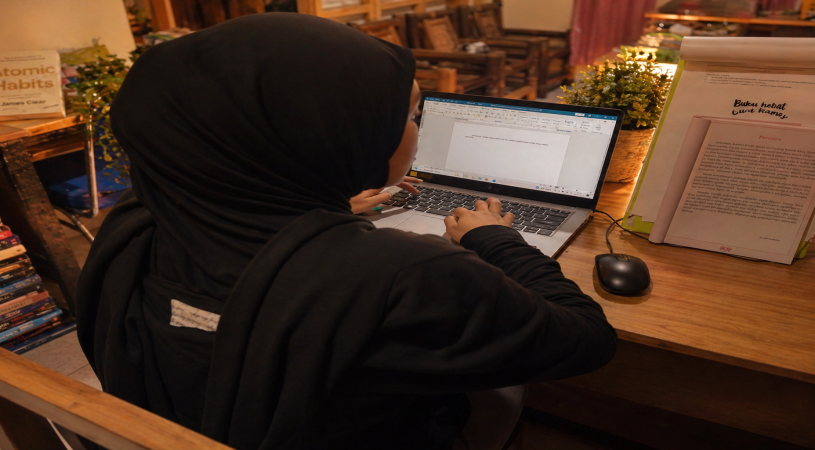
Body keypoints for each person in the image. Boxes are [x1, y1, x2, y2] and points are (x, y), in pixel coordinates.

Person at [76, 13, 617, 450]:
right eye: (410, 116)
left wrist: (324, 211)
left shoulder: (132, 226)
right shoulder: (405, 275)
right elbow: (586, 338)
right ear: (335, 136)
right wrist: (492, 238)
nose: (415, 132)